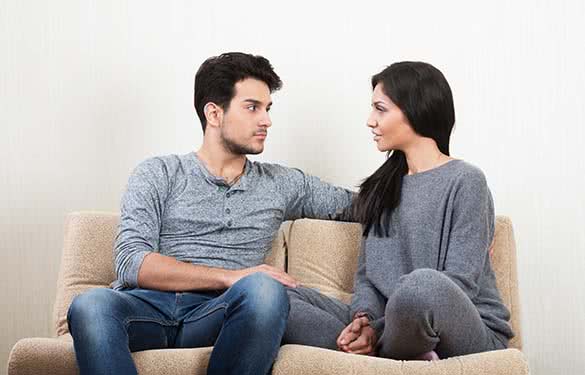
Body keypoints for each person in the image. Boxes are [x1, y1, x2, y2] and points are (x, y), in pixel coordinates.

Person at [66, 52, 353, 375]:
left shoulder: (282, 183)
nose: (267, 120)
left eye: (267, 109)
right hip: (146, 309)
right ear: (214, 114)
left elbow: (357, 205)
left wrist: (415, 157)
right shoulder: (159, 173)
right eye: (252, 107)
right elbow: (132, 262)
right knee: (90, 304)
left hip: (218, 314)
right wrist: (230, 276)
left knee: (264, 289)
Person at [284, 61, 514, 360]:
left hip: (462, 327)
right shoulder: (381, 188)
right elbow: (367, 277)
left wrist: (381, 327)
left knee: (421, 287)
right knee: (276, 297)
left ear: (415, 110)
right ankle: (393, 352)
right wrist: (363, 320)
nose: (370, 120)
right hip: (394, 325)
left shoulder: (467, 180)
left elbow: (461, 283)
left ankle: (382, 351)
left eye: (381, 109)